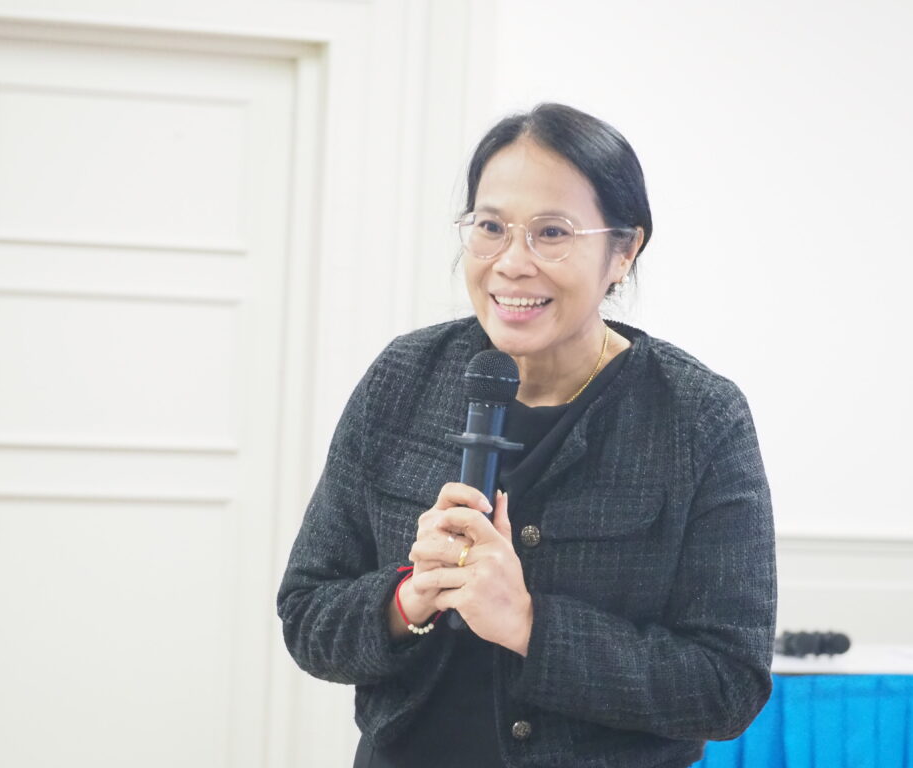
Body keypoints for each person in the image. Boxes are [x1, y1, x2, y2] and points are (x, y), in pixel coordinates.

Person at [277, 103, 776, 768]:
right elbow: (307, 615)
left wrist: (530, 626)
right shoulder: (402, 378)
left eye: (552, 233)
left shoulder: (699, 417)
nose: (512, 263)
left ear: (624, 250)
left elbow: (727, 686)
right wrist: (408, 597)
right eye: (491, 228)